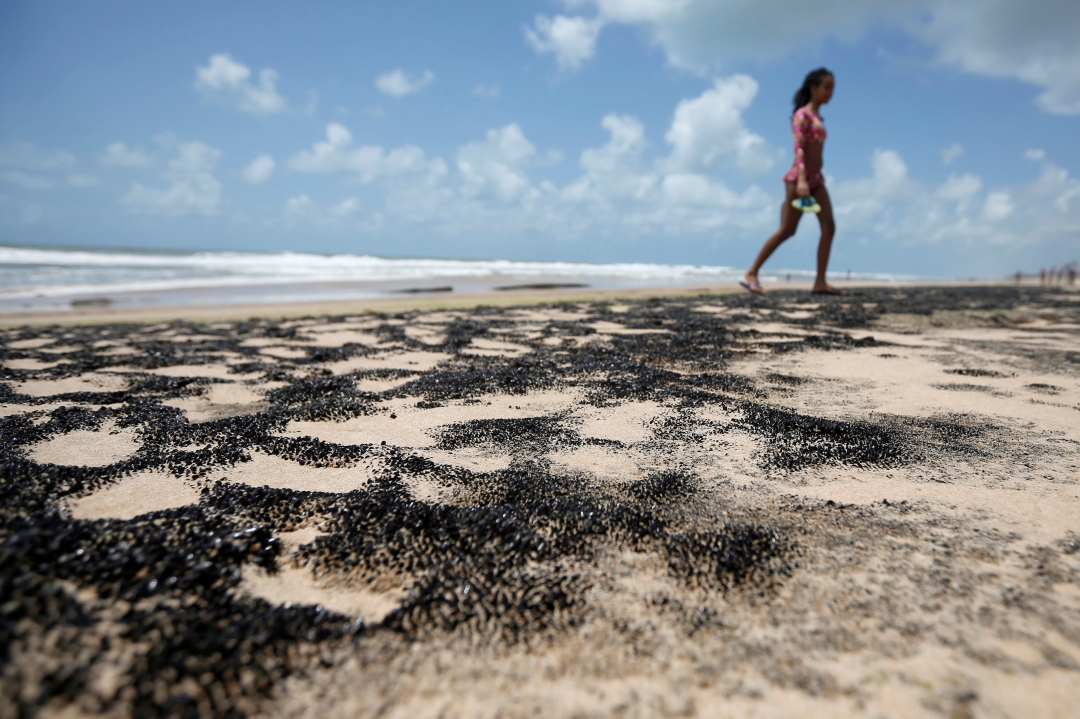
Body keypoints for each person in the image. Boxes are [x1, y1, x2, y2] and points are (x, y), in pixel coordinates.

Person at [743, 68, 843, 296]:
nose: (830, 93)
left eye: (833, 89)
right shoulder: (802, 115)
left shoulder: (818, 117)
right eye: (827, 87)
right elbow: (798, 148)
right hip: (799, 180)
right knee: (787, 230)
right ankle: (752, 272)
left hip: (817, 180)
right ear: (813, 87)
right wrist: (801, 179)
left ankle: (820, 282)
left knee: (829, 227)